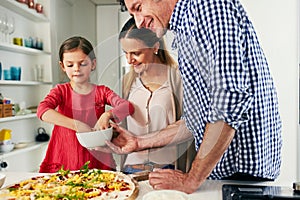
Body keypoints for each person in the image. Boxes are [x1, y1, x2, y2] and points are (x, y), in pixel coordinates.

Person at [107, 0, 282, 194]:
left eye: (139, 8)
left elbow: (228, 101)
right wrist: (139, 142)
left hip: (241, 172)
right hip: (225, 175)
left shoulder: (207, 6)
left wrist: (192, 179)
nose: (139, 23)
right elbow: (194, 121)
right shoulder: (186, 28)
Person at [37, 36, 134, 173]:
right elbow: (42, 110)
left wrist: (107, 115)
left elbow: (127, 107)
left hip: (97, 161)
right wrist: (76, 125)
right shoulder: (61, 91)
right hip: (64, 159)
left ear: (93, 64)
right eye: (70, 65)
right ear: (62, 66)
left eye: (83, 64)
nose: (77, 69)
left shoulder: (102, 92)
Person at [119, 17, 194, 174]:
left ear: (155, 47)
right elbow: (122, 125)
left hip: (167, 171)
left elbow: (192, 126)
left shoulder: (180, 79)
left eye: (136, 53)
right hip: (131, 169)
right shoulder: (127, 82)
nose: (129, 60)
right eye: (126, 53)